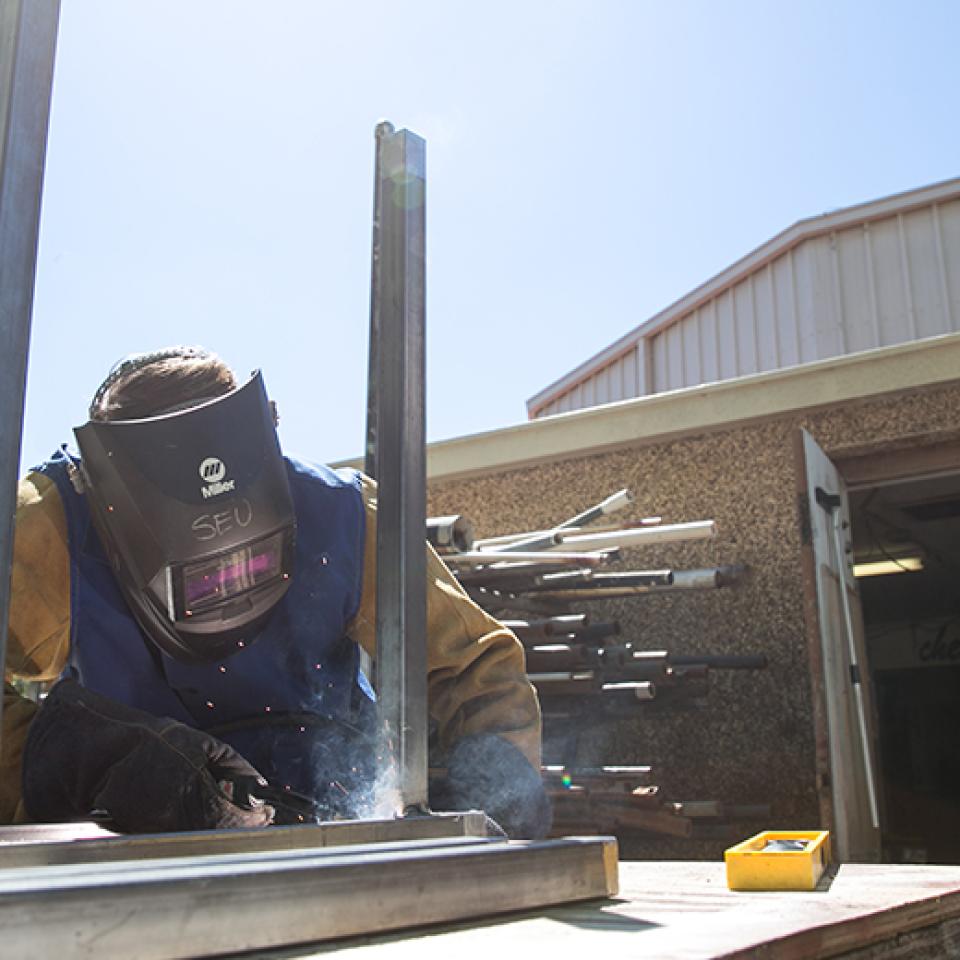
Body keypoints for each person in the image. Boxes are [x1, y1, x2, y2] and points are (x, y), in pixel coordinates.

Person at [2, 347, 549, 837]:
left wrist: (497, 791)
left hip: (330, 818)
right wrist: (90, 762)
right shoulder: (52, 525)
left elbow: (476, 664)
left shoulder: (343, 513)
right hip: (131, 837)